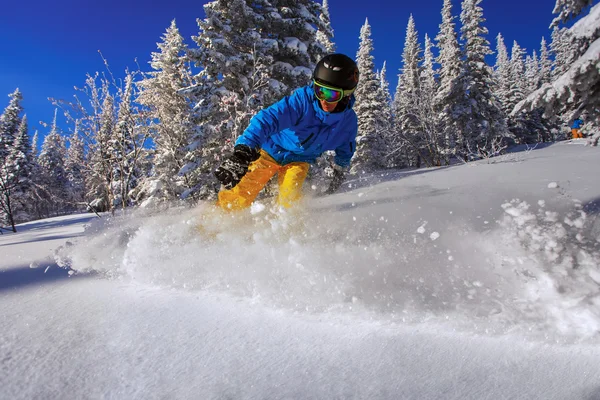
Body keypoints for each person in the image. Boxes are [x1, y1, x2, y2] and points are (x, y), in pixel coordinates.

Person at [214, 53, 360, 211]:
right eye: (319, 90)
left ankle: (286, 230)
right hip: (269, 150)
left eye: (331, 94)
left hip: (298, 160)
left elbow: (347, 147)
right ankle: (218, 222)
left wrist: (340, 169)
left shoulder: (347, 123)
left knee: (290, 202)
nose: (323, 99)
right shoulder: (302, 102)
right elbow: (268, 119)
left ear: (346, 94)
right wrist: (243, 151)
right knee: (241, 191)